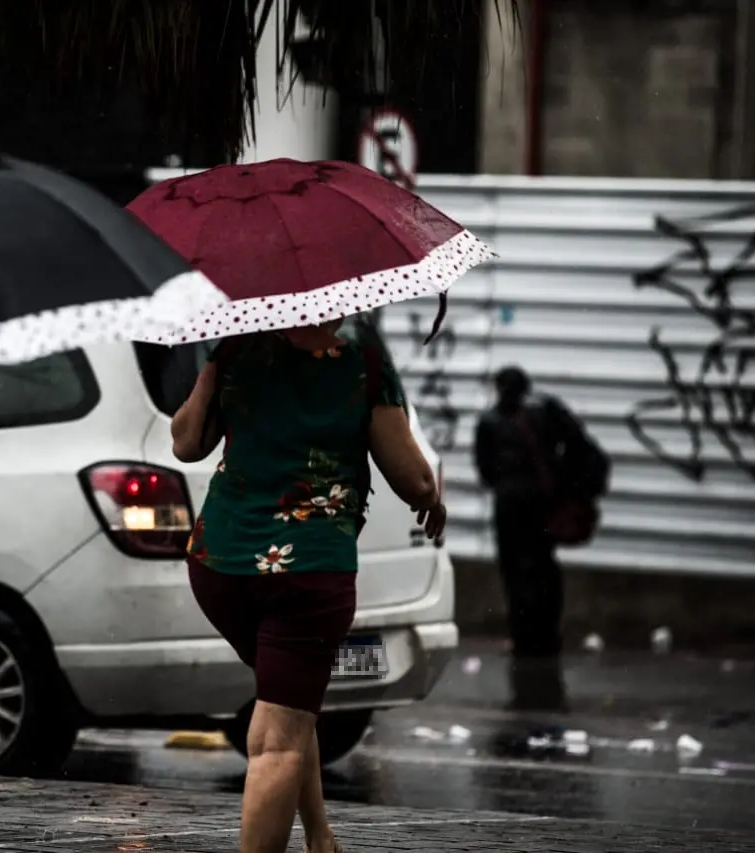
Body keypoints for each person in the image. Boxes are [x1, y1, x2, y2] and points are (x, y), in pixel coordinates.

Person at [170, 318, 446, 853]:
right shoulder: (363, 364)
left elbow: (186, 443)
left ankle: (319, 835)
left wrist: (215, 368)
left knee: (287, 702)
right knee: (277, 739)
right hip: (308, 574)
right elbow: (411, 478)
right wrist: (432, 498)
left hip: (220, 566)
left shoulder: (235, 351)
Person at [473, 365, 606, 711]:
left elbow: (485, 471)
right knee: (544, 568)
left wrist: (508, 481)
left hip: (509, 507)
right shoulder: (546, 411)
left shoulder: (489, 422)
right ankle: (547, 636)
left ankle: (525, 639)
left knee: (515, 574)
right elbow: (578, 444)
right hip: (545, 504)